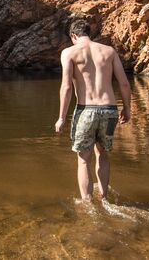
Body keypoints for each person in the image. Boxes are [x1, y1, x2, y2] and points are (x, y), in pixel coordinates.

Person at [55, 19, 131, 202]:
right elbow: (124, 83)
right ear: (89, 33)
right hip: (109, 109)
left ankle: (87, 203)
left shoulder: (69, 53)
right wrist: (127, 108)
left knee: (83, 159)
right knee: (103, 155)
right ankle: (104, 198)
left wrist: (61, 118)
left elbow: (66, 88)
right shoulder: (109, 51)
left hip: (86, 110)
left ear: (73, 35)